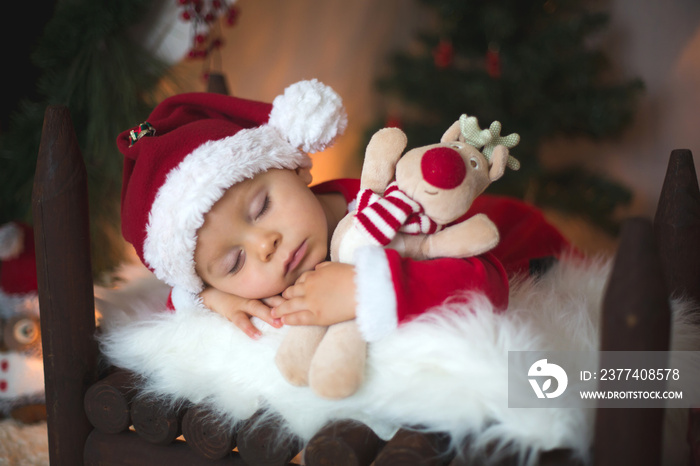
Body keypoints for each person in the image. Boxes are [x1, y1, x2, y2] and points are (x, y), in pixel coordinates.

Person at [117, 80, 570, 342]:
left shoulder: (388, 208)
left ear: (296, 170)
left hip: (521, 238)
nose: (264, 244)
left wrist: (362, 289)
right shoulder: (227, 280)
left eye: (262, 206)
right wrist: (208, 298)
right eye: (234, 263)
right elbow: (177, 295)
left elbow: (485, 281)